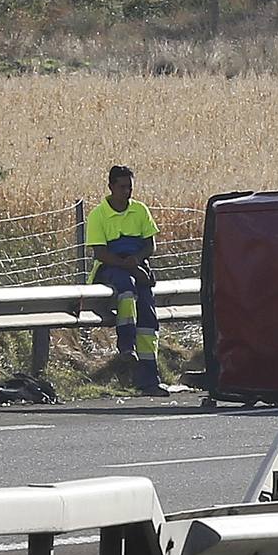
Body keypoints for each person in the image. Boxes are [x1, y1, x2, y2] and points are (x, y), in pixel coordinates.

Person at [88, 165, 169, 396]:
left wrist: (137, 261)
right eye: (122, 187)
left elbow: (150, 245)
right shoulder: (99, 215)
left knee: (148, 319)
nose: (127, 192)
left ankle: (149, 380)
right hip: (111, 269)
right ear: (111, 187)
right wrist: (131, 267)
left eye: (129, 187)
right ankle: (126, 345)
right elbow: (100, 253)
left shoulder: (140, 211)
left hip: (136, 266)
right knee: (126, 289)